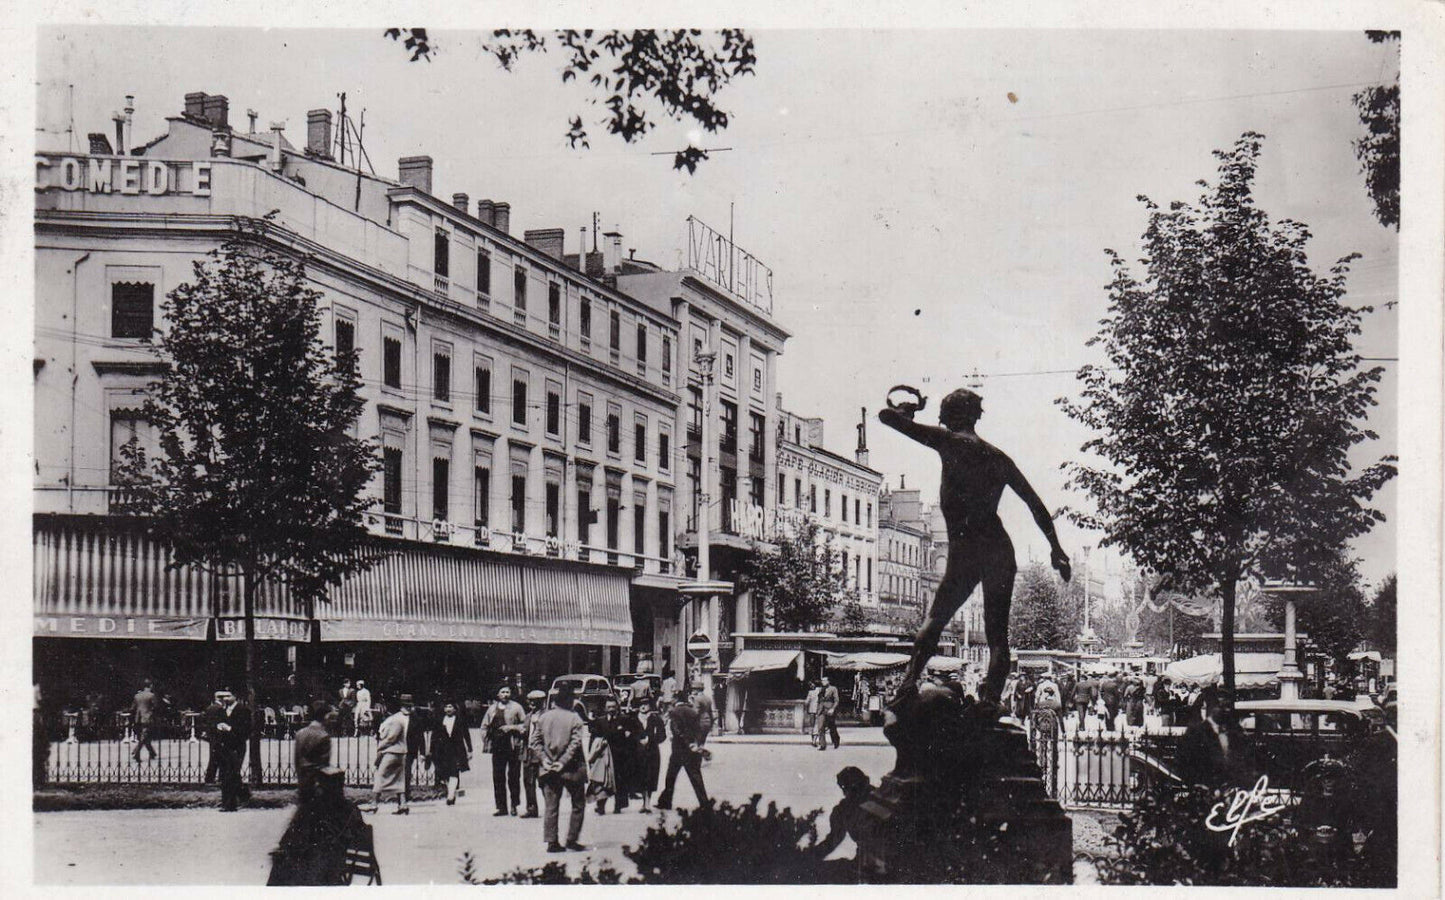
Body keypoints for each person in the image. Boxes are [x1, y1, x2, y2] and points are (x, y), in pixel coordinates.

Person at [879, 387, 1072, 701]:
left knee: (935, 620)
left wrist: (907, 411)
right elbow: (1035, 504)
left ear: (950, 416)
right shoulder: (998, 457)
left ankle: (906, 688)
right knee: (997, 637)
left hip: (965, 550)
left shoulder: (948, 441)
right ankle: (990, 703)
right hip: (998, 549)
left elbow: (886, 417)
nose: (940, 421)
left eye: (942, 415)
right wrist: (1056, 549)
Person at [531, 682, 588, 853]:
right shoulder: (575, 719)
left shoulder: (544, 717)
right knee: (578, 804)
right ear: (571, 700)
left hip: (548, 768)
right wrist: (562, 762)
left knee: (551, 805)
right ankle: (572, 839)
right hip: (572, 768)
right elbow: (574, 744)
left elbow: (534, 742)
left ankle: (552, 841)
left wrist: (544, 760)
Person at [1176, 688, 1255, 788]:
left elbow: (1244, 757)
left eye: (1228, 706)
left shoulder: (1235, 730)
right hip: (1205, 788)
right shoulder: (1196, 732)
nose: (1226, 710)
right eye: (1221, 706)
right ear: (1211, 707)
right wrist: (1195, 784)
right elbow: (1183, 762)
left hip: (1233, 788)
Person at [657, 690, 708, 809]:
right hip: (692, 750)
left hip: (679, 750)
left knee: (671, 776)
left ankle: (666, 802)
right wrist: (696, 744)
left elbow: (677, 731)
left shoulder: (674, 712)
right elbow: (699, 729)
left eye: (672, 698)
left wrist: (687, 742)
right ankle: (705, 803)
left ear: (676, 699)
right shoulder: (692, 712)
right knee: (696, 777)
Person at [481, 684, 526, 816]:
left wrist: (511, 727)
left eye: (507, 692)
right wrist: (487, 740)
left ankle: (514, 805)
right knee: (498, 777)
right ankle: (501, 807)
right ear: (498, 694)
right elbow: (484, 726)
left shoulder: (517, 707)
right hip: (497, 747)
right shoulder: (491, 709)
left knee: (514, 776)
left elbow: (525, 724)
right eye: (503, 692)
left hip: (512, 746)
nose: (505, 694)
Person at [814, 766, 874, 863]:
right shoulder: (843, 810)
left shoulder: (882, 799)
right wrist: (809, 857)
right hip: (865, 861)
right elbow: (833, 840)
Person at [370, 694, 415, 815]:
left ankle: (374, 803)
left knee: (380, 776)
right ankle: (403, 804)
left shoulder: (395, 720)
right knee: (400, 779)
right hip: (401, 752)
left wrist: (380, 746)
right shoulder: (398, 719)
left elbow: (391, 738)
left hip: (392, 752)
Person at [427, 699, 472, 805]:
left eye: (450, 707)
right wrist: (431, 750)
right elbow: (434, 736)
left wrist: (470, 749)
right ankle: (450, 792)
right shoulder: (439, 720)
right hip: (442, 750)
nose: (448, 709)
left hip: (457, 749)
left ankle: (450, 796)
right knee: (444, 772)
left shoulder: (460, 720)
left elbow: (466, 735)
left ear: (455, 709)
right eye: (446, 707)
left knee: (454, 771)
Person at [213, 688, 251, 811]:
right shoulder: (223, 710)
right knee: (226, 774)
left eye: (228, 696)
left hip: (237, 746)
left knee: (232, 773)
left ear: (235, 696)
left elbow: (246, 730)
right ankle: (235, 798)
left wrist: (229, 729)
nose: (225, 698)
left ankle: (230, 804)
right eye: (224, 696)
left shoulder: (243, 710)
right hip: (225, 746)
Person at [294, 700, 333, 801]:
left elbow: (297, 760)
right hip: (316, 782)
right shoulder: (323, 736)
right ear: (325, 716)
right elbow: (323, 764)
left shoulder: (300, 733)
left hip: (302, 779)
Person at [586, 700, 620, 815]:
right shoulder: (600, 721)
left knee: (617, 781)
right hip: (603, 754)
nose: (611, 709)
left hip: (618, 755)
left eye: (613, 707)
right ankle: (601, 806)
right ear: (605, 708)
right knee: (601, 780)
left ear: (617, 708)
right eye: (609, 707)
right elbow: (594, 738)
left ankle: (618, 805)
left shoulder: (622, 720)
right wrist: (592, 755)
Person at [635, 697, 666, 812]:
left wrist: (651, 740)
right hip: (638, 752)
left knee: (650, 776)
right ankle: (644, 802)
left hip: (652, 752)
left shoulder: (656, 719)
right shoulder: (634, 719)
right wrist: (638, 740)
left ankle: (647, 803)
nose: (643, 707)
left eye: (646, 704)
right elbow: (629, 733)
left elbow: (662, 735)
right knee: (640, 777)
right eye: (641, 705)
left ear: (650, 706)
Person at [519, 690, 547, 818]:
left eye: (535, 701)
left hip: (541, 753)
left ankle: (550, 808)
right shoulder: (528, 716)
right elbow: (525, 732)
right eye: (530, 701)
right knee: (528, 782)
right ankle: (531, 808)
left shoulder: (547, 716)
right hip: (528, 752)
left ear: (542, 702)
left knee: (544, 782)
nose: (532, 704)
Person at [131, 680, 160, 763]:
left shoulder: (137, 696)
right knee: (144, 736)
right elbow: (156, 706)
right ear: (150, 685)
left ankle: (152, 753)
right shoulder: (151, 695)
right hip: (148, 717)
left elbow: (133, 707)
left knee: (145, 735)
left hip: (138, 717)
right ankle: (137, 752)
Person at [815, 675, 840, 751]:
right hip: (821, 710)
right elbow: (819, 700)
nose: (823, 682)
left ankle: (836, 741)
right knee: (820, 727)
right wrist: (817, 710)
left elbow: (836, 700)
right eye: (822, 680)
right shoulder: (820, 689)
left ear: (828, 681)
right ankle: (822, 745)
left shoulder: (833, 688)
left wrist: (833, 709)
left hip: (829, 709)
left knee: (832, 727)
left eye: (825, 680)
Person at [692, 685, 716, 757]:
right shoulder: (708, 699)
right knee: (702, 741)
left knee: (697, 741)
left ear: (697, 690)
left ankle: (700, 756)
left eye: (694, 689)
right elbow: (710, 712)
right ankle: (702, 754)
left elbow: (695, 712)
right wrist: (711, 724)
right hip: (707, 721)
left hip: (700, 722)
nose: (693, 691)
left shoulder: (697, 699)